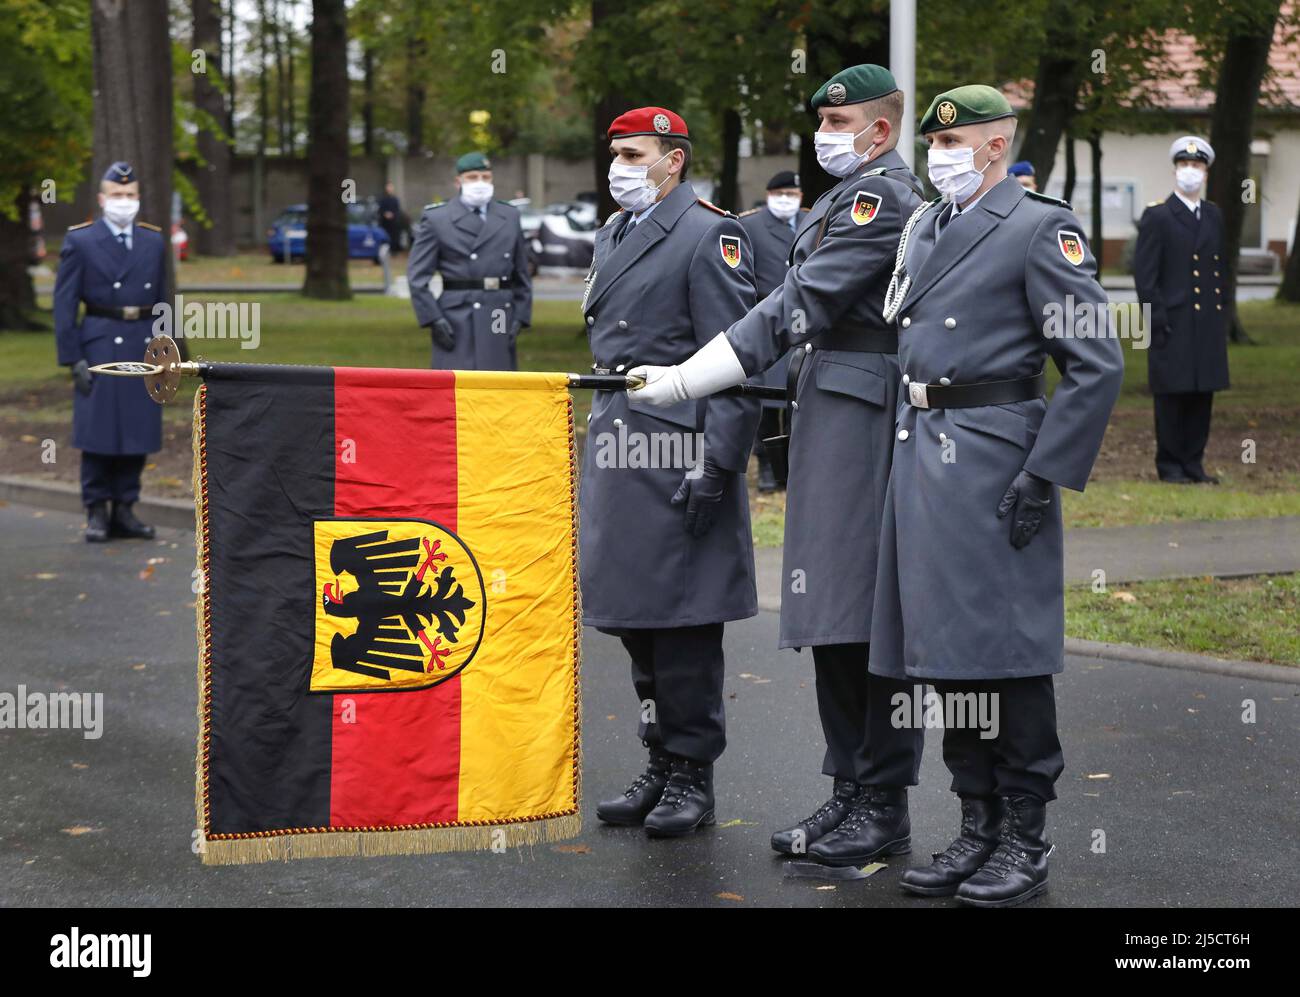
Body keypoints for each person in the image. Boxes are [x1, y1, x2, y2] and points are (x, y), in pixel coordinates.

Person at [627, 65, 926, 866]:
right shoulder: (845, 195)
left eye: (842, 123)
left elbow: (801, 302)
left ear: (881, 131)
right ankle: (852, 787)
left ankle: (881, 799)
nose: (827, 135)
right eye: (823, 121)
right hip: (830, 405)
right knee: (834, 610)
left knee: (865, 616)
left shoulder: (881, 198)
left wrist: (696, 374)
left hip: (862, 411)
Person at [867, 85, 1123, 906]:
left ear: (995, 148)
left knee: (1008, 656)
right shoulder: (927, 225)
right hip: (924, 456)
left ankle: (1024, 833)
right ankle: (976, 823)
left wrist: (1045, 471)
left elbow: (1095, 363)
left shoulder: (1039, 225)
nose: (940, 154)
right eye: (934, 142)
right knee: (948, 654)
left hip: (997, 459)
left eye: (957, 143)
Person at [582, 106, 760, 838]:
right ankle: (660, 759)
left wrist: (719, 462)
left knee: (683, 623)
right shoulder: (613, 231)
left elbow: (742, 363)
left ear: (674, 159)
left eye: (636, 154)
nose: (621, 166)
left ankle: (693, 772)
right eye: (617, 154)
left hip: (680, 448)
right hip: (620, 446)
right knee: (637, 621)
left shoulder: (708, 233)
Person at [53, 161, 167, 543]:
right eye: (117, 196)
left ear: (139, 199)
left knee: (137, 429)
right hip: (99, 342)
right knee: (99, 432)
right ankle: (97, 510)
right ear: (102, 199)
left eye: (130, 195)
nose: (124, 202)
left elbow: (165, 300)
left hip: (142, 342)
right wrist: (72, 357)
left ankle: (125, 508)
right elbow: (64, 303)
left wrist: (169, 353)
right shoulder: (81, 240)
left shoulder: (153, 240)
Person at [1133, 136, 1229, 484]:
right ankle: (1170, 465)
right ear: (1175, 170)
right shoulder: (1158, 215)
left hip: (1205, 322)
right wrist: (1155, 320)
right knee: (1172, 396)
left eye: (1197, 166)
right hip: (1170, 320)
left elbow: (1220, 270)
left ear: (1205, 172)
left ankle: (1194, 463)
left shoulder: (1214, 215)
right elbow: (1145, 276)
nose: (1191, 171)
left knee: (1202, 394)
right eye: (1185, 165)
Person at [407, 152, 533, 370]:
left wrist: (521, 315)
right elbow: (417, 277)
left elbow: (521, 272)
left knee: (497, 384)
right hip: (456, 313)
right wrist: (432, 318)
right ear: (458, 182)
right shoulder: (438, 218)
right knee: (457, 386)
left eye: (486, 177)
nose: (480, 183)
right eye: (473, 177)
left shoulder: (509, 215)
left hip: (498, 311)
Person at [738, 170, 805, 492]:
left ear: (801, 197)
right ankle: (765, 464)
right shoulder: (748, 225)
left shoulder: (812, 220)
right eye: (779, 192)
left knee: (797, 398)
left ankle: (791, 466)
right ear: (767, 194)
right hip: (765, 319)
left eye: (791, 193)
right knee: (765, 401)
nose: (785, 199)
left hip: (804, 323)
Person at [377, 180, 404, 252]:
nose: (389, 188)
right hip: (384, 223)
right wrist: (385, 214)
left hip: (393, 223)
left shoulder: (395, 199)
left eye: (391, 187)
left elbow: (397, 210)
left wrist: (393, 215)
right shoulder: (382, 199)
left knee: (393, 237)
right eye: (388, 187)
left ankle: (393, 251)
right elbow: (380, 210)